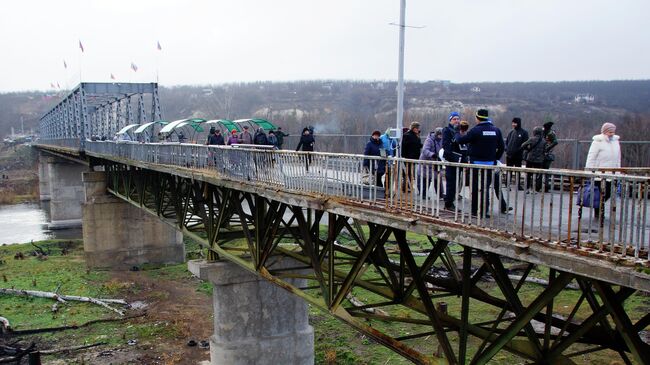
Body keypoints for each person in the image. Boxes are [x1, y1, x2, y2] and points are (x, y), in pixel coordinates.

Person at [455, 109, 505, 217]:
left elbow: (460, 140)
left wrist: (457, 132)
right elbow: (502, 147)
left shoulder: (475, 131)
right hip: (490, 164)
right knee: (485, 188)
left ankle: (474, 210)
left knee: (475, 188)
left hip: (476, 164)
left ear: (477, 118)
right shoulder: (496, 130)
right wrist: (495, 159)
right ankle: (484, 211)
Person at [585, 122, 621, 219]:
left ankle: (599, 207)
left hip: (611, 172)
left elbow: (618, 158)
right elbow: (591, 157)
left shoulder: (616, 142)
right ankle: (599, 212)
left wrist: (618, 171)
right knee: (600, 193)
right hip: (599, 173)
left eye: (613, 132)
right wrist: (589, 171)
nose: (612, 134)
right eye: (610, 132)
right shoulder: (597, 142)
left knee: (608, 192)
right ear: (605, 132)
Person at [442, 112, 467, 210]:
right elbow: (446, 145)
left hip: (460, 160)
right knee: (451, 182)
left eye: (458, 119)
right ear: (450, 120)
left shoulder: (460, 131)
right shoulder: (447, 130)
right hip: (452, 160)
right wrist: (452, 157)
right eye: (454, 119)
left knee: (456, 183)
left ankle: (450, 202)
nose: (456, 121)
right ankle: (448, 203)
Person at [418, 127, 444, 199]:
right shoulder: (429, 140)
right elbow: (425, 150)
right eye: (439, 135)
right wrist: (432, 154)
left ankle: (441, 195)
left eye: (441, 135)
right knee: (426, 179)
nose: (440, 137)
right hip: (426, 163)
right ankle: (423, 194)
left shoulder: (442, 140)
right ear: (436, 134)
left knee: (438, 179)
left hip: (436, 162)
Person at [520, 126, 546, 191]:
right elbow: (545, 150)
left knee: (528, 174)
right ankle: (534, 188)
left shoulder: (532, 139)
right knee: (536, 174)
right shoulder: (543, 141)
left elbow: (523, 145)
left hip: (530, 159)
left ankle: (527, 188)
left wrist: (528, 149)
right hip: (539, 160)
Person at [542, 121, 558, 191]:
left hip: (548, 153)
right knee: (543, 170)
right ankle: (543, 185)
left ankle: (546, 186)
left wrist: (547, 148)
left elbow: (555, 142)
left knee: (546, 170)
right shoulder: (545, 132)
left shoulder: (551, 133)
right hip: (543, 152)